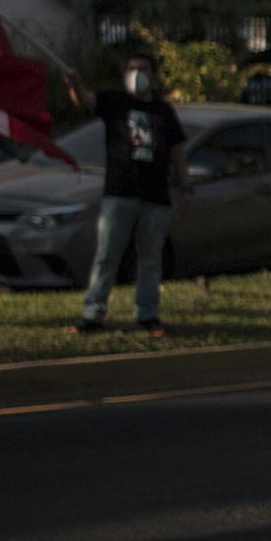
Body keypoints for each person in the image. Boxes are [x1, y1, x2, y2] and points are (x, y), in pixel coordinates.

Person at [69, 51, 187, 336]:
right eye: (131, 69)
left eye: (143, 69)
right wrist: (74, 84)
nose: (136, 74)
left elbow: (177, 151)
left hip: (155, 196)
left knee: (149, 259)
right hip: (119, 193)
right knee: (107, 256)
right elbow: (85, 100)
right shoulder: (116, 103)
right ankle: (93, 314)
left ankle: (148, 315)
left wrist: (184, 184)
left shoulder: (163, 112)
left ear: (154, 76)